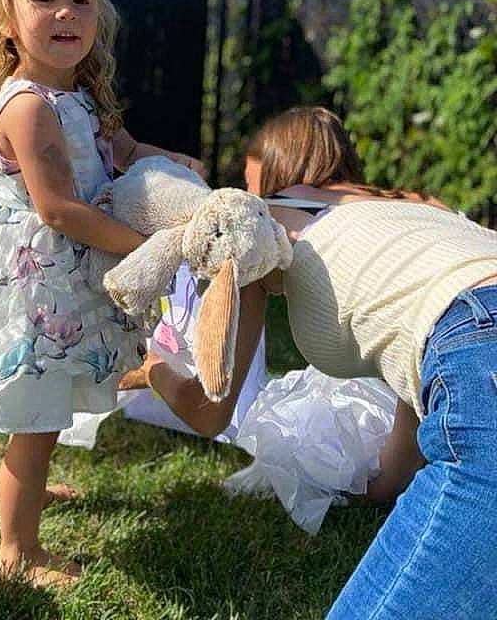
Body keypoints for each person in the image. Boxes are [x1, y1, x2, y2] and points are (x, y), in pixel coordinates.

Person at [0, 0, 204, 587]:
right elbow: (59, 210)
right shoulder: (28, 106)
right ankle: (18, 554)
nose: (66, 13)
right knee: (36, 418)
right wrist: (153, 248)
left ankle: (32, 492)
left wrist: (171, 160)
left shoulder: (81, 95)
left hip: (67, 270)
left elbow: (121, 153)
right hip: (36, 281)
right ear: (8, 20)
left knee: (55, 400)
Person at [143, 105, 497, 618]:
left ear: (269, 175)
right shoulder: (421, 208)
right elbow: (414, 369)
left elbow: (210, 408)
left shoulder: (261, 221)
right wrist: (384, 485)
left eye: (249, 179)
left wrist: (150, 364)